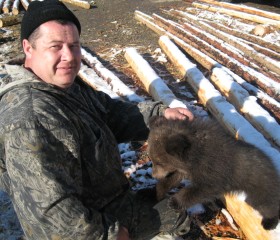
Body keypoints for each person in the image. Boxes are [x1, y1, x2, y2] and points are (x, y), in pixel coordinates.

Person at [0, 0, 194, 239]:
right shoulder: (31, 117)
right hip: (86, 224)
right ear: (28, 48)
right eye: (56, 46)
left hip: (104, 200)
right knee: (175, 219)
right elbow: (51, 214)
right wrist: (109, 235)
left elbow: (110, 113)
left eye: (74, 45)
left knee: (173, 207)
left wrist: (160, 116)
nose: (69, 57)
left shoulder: (61, 86)